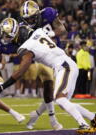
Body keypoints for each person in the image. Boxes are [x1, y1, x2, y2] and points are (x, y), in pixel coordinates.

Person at [0, 19, 96, 134]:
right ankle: (94, 118)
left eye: (6, 34)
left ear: (13, 33)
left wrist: (3, 86)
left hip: (64, 67)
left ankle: (83, 124)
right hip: (65, 65)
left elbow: (20, 72)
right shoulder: (38, 31)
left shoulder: (26, 47)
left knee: (60, 99)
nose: (5, 37)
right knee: (63, 103)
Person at [19, 0, 64, 130]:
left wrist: (52, 34)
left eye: (32, 17)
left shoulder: (48, 14)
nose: (30, 21)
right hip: (42, 58)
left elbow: (62, 29)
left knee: (54, 93)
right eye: (27, 18)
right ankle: (52, 119)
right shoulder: (24, 27)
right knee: (51, 89)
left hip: (57, 56)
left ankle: (36, 115)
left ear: (38, 13)